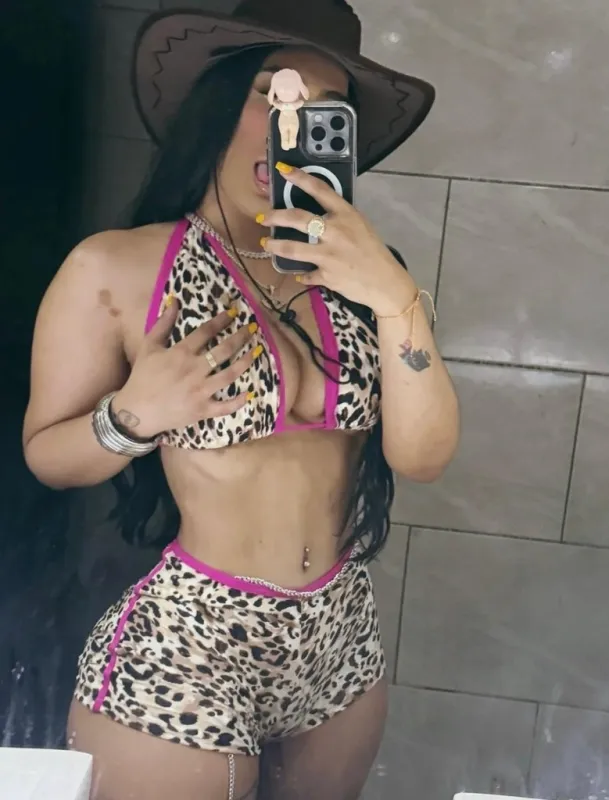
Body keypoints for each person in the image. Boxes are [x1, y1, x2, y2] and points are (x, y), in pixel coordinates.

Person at [22, 0, 459, 797]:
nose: (291, 124)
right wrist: (131, 420)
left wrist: (395, 298)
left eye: (323, 111)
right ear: (217, 105)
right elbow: (47, 456)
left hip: (338, 637)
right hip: (188, 646)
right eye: (271, 93)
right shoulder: (114, 268)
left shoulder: (366, 276)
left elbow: (423, 456)